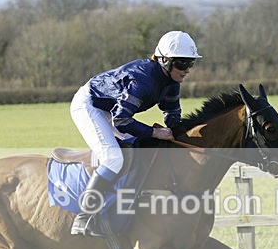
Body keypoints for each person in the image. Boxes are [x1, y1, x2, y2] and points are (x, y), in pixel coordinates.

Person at [69, 30, 202, 236]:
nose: (187, 70)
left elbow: (172, 114)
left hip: (112, 109)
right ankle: (84, 217)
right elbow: (121, 120)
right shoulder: (142, 80)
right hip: (91, 106)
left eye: (190, 64)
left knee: (139, 149)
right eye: (182, 63)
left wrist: (178, 135)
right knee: (113, 158)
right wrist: (155, 133)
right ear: (164, 60)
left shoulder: (172, 82)